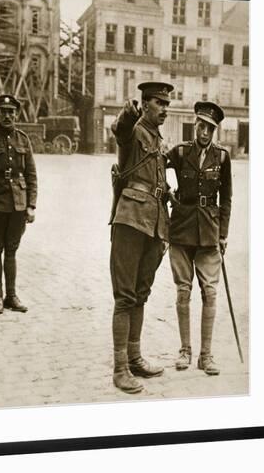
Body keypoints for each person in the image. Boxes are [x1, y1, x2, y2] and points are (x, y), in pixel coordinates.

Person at [109, 81, 173, 393]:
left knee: (141, 293)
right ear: (145, 104)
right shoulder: (133, 130)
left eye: (166, 104)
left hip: (155, 223)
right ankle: (120, 368)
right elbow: (119, 130)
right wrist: (128, 112)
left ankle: (134, 357)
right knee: (124, 297)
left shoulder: (158, 139)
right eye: (159, 103)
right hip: (131, 221)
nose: (164, 109)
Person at [166, 101, 232, 375]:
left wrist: (223, 235)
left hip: (209, 232)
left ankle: (206, 355)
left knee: (210, 292)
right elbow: (156, 166)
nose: (204, 132)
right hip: (181, 230)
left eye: (210, 128)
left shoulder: (223, 157)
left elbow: (226, 199)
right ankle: (185, 351)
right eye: (201, 126)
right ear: (195, 124)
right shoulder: (180, 152)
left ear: (215, 130)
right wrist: (168, 193)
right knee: (183, 291)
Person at [0, 94, 37, 314]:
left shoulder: (23, 139)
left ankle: (11, 296)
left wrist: (31, 205)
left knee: (11, 251)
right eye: (3, 111)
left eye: (11, 112)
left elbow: (31, 175)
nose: (7, 115)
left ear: (16, 114)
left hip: (18, 205)